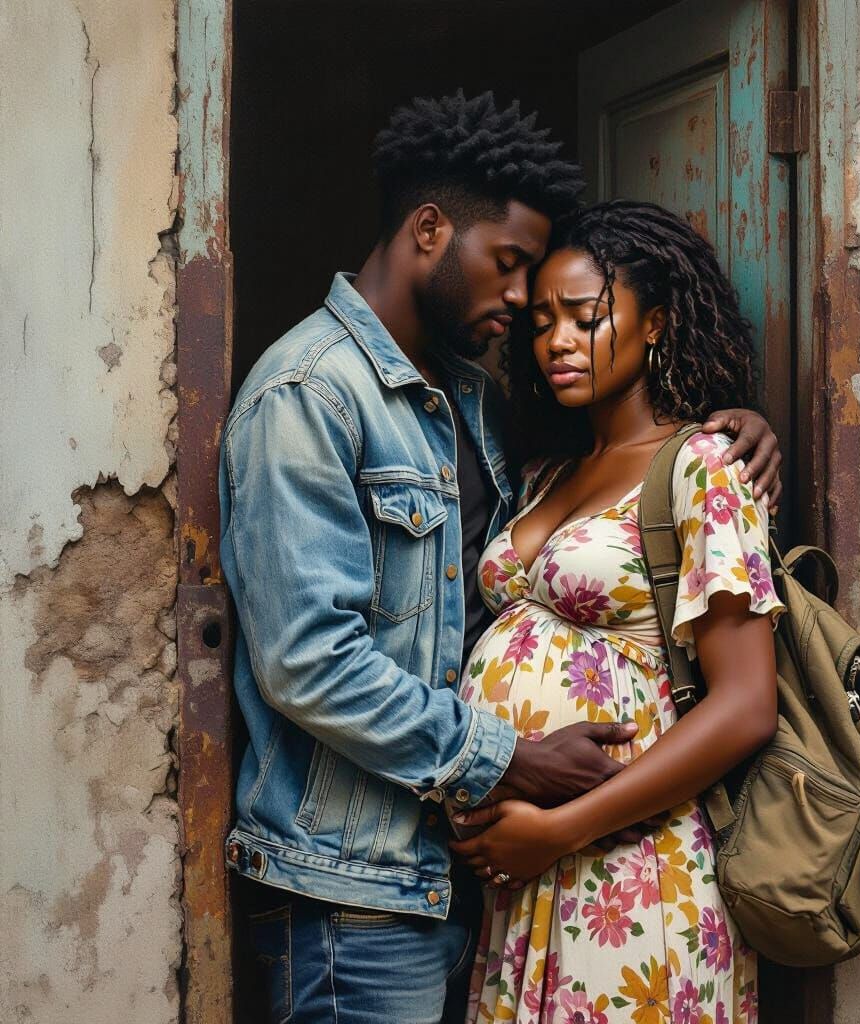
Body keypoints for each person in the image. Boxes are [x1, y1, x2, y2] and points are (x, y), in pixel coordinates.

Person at [220, 91, 783, 1024]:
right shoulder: (310, 394)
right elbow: (307, 659)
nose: (532, 315)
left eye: (577, 311)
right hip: (360, 885)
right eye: (517, 273)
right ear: (431, 230)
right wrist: (507, 760)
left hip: (524, 877)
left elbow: (733, 684)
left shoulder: (472, 405)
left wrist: (732, 426)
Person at [450, 200, 784, 1024]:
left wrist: (561, 832)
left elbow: (746, 707)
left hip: (630, 868)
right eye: (540, 323)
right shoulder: (542, 472)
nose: (557, 341)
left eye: (585, 317)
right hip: (522, 876)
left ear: (657, 322)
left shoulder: (707, 466)